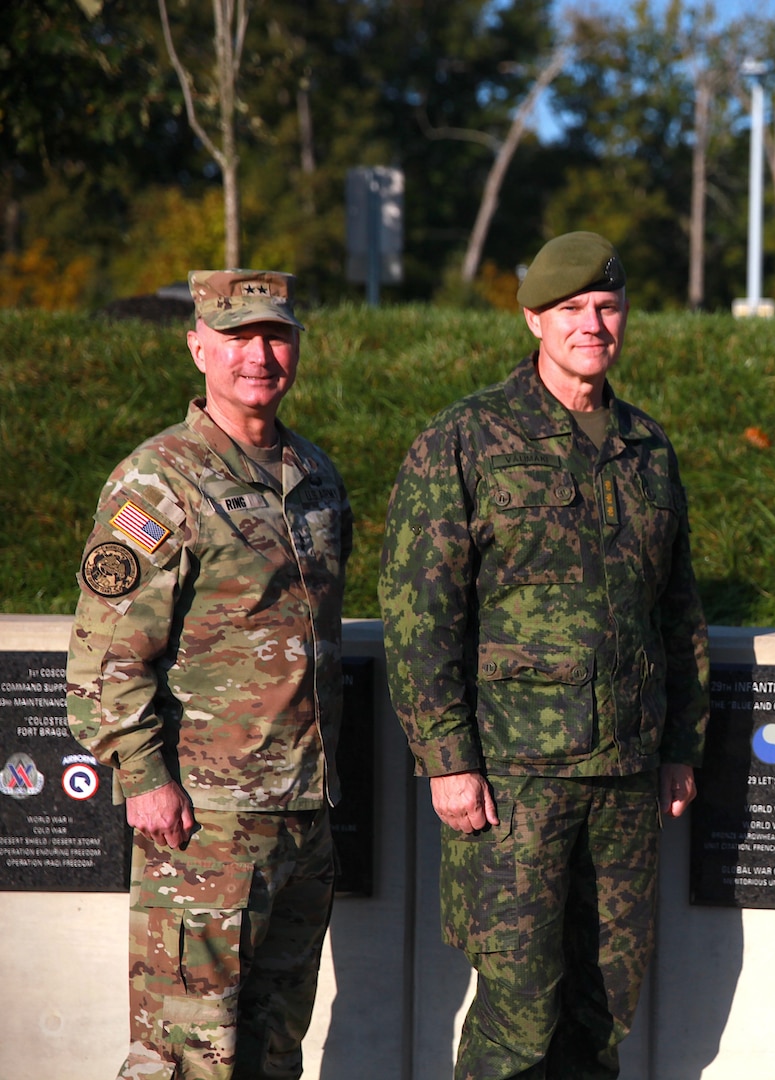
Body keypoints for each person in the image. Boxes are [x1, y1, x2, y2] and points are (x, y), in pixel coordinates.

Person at [379, 231, 708, 1079]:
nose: (591, 325)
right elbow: (421, 611)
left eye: (606, 307)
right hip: (516, 782)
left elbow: (677, 609)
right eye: (571, 310)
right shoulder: (469, 439)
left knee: (605, 1011)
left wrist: (679, 747)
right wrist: (447, 761)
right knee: (518, 1021)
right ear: (534, 321)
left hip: (627, 780)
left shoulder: (646, 448)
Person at [66, 270, 351, 1079]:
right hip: (205, 826)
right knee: (188, 1057)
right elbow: (105, 656)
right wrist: (144, 778)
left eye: (276, 335)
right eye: (237, 338)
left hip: (302, 815)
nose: (259, 355)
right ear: (198, 348)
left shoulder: (316, 476)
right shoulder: (158, 481)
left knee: (271, 1050)